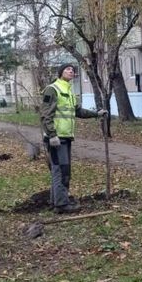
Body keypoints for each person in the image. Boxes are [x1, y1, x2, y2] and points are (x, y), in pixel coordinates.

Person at [40, 64, 107, 213]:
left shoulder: (69, 91)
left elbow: (78, 111)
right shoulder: (53, 89)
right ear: (60, 73)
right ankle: (62, 205)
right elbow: (45, 114)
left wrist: (96, 114)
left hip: (66, 137)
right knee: (62, 171)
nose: (71, 71)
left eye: (73, 70)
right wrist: (52, 135)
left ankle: (55, 201)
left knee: (60, 170)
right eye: (67, 69)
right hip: (56, 138)